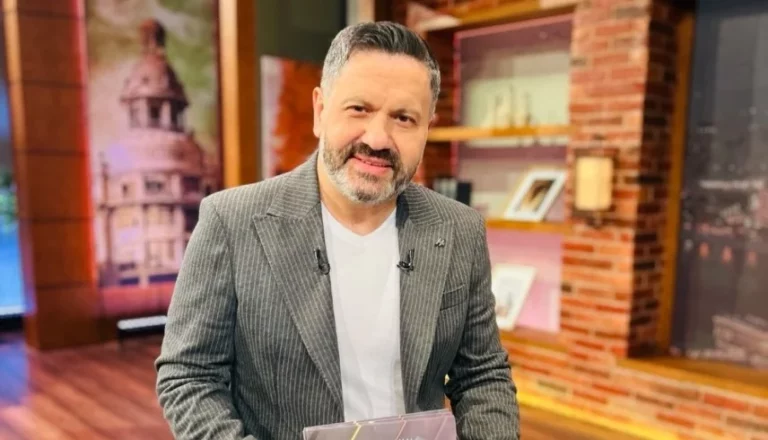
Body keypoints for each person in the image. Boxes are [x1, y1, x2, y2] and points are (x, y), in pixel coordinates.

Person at [155, 21, 520, 440]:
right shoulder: (231, 221)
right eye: (359, 109)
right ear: (320, 110)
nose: (378, 139)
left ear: (427, 129)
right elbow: (189, 376)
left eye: (404, 118)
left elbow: (482, 374)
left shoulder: (459, 229)